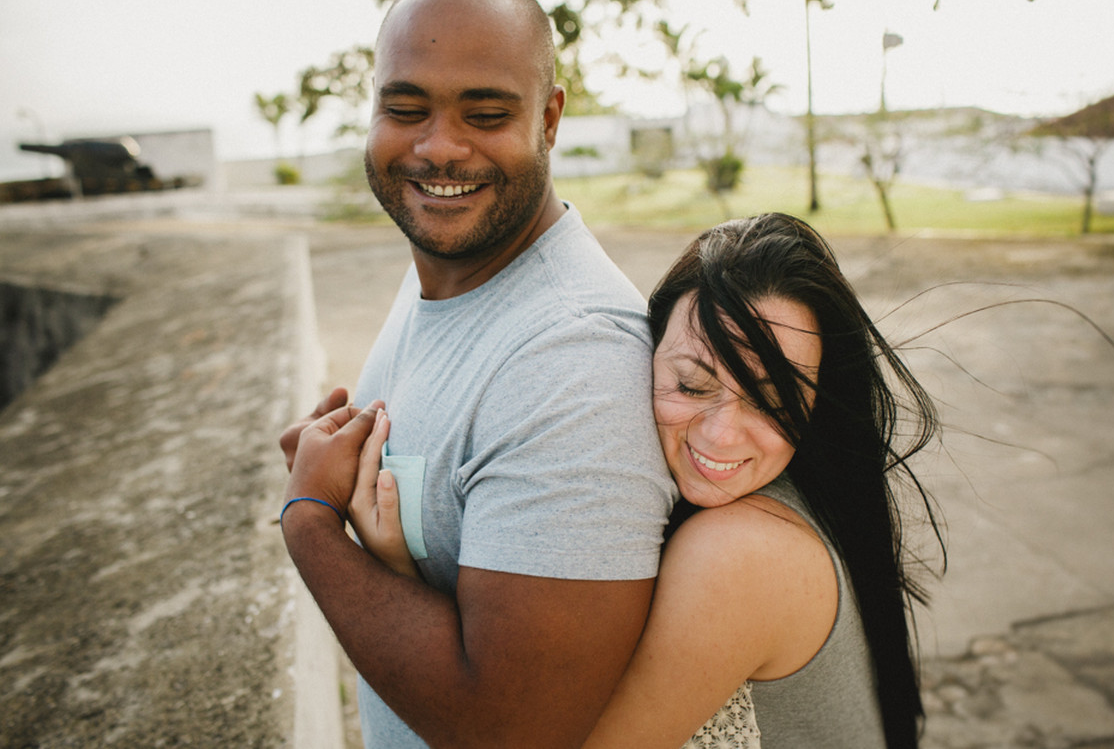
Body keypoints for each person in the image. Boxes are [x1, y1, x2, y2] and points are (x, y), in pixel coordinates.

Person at [343, 212, 944, 747]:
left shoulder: (744, 554)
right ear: (644, 354)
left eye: (773, 399)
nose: (721, 436)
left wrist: (365, 553)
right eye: (692, 385)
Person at [277, 0, 676, 746]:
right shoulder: (444, 266)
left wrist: (308, 521)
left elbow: (514, 727)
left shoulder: (574, 362)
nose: (439, 149)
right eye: (405, 109)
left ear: (548, 120)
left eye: (486, 115)